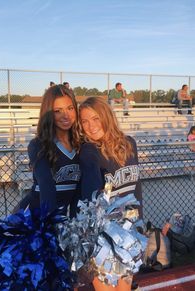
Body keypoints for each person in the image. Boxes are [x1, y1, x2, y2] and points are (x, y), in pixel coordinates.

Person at [79, 97, 143, 291]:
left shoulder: (129, 144)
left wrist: (138, 228)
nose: (90, 126)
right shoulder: (89, 151)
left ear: (106, 117)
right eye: (84, 121)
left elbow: (136, 190)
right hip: (104, 238)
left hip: (129, 233)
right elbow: (89, 197)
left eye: (95, 118)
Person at [18, 84, 81, 216]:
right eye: (58, 111)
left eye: (70, 108)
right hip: (33, 218)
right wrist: (51, 226)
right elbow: (47, 187)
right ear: (48, 114)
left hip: (60, 218)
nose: (66, 116)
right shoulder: (38, 145)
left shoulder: (81, 144)